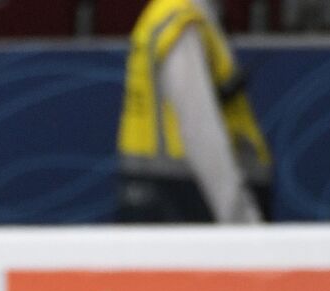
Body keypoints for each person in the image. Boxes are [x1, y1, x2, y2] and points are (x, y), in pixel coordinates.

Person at [116, 0, 273, 223]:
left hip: (159, 193)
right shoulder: (181, 22)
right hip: (185, 199)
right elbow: (200, 128)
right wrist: (241, 220)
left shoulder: (166, 16)